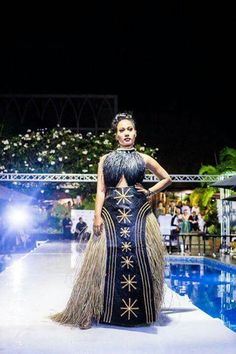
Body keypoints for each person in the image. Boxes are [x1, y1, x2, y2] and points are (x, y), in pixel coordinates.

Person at [50, 112, 172, 329]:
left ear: (135, 133)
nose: (126, 133)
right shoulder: (105, 160)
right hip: (110, 213)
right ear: (116, 135)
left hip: (139, 213)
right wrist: (97, 216)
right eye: (121, 130)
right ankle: (91, 309)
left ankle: (142, 312)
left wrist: (149, 191)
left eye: (129, 129)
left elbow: (167, 178)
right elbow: (100, 190)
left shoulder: (144, 158)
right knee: (102, 263)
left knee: (140, 256)